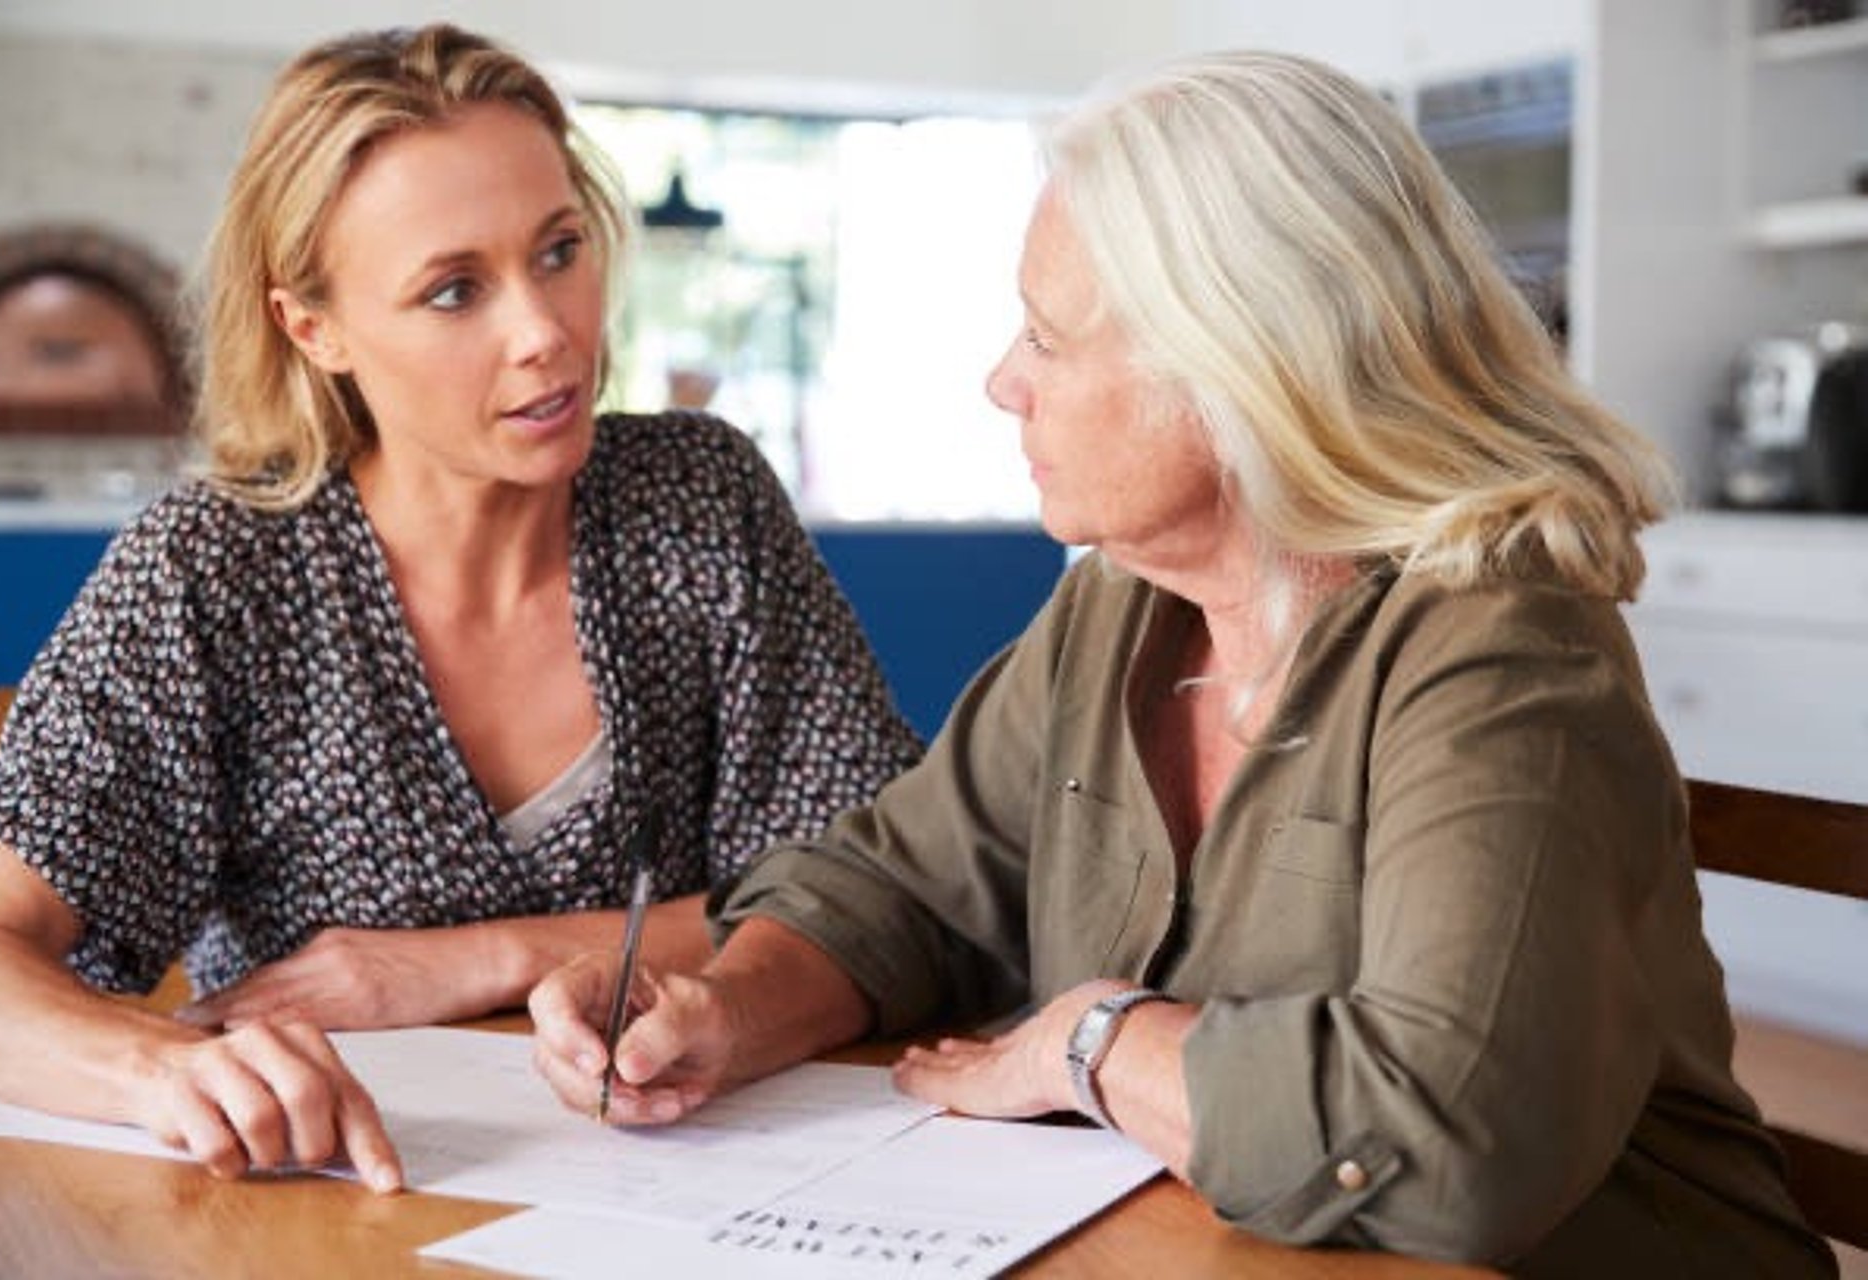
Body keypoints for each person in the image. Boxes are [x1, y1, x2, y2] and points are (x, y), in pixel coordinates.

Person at [528, 50, 1838, 1276]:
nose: (1004, 382)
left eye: (1046, 335)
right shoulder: (1121, 611)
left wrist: (1093, 1041)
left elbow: (1449, 1144)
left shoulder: (1499, 647)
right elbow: (907, 891)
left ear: (1236, 365)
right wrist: (724, 1009)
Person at [0, 24, 918, 1195]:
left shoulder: (699, 502)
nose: (544, 331)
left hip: (712, 1192)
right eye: (455, 290)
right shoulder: (213, 572)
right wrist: (159, 1074)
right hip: (329, 1217)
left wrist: (470, 961)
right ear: (317, 328)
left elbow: (882, 892)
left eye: (559, 250)